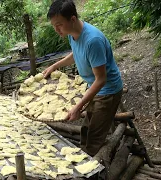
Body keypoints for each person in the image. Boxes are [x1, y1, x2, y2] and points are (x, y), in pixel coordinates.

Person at [43, 0, 123, 156]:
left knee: (94, 137)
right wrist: (55, 66)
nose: (56, 29)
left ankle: (95, 165)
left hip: (107, 92)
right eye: (53, 25)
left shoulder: (93, 41)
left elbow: (101, 80)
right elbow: (76, 54)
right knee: (86, 129)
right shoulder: (72, 33)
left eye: (59, 25)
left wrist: (78, 106)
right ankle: (88, 153)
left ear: (72, 19)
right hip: (92, 86)